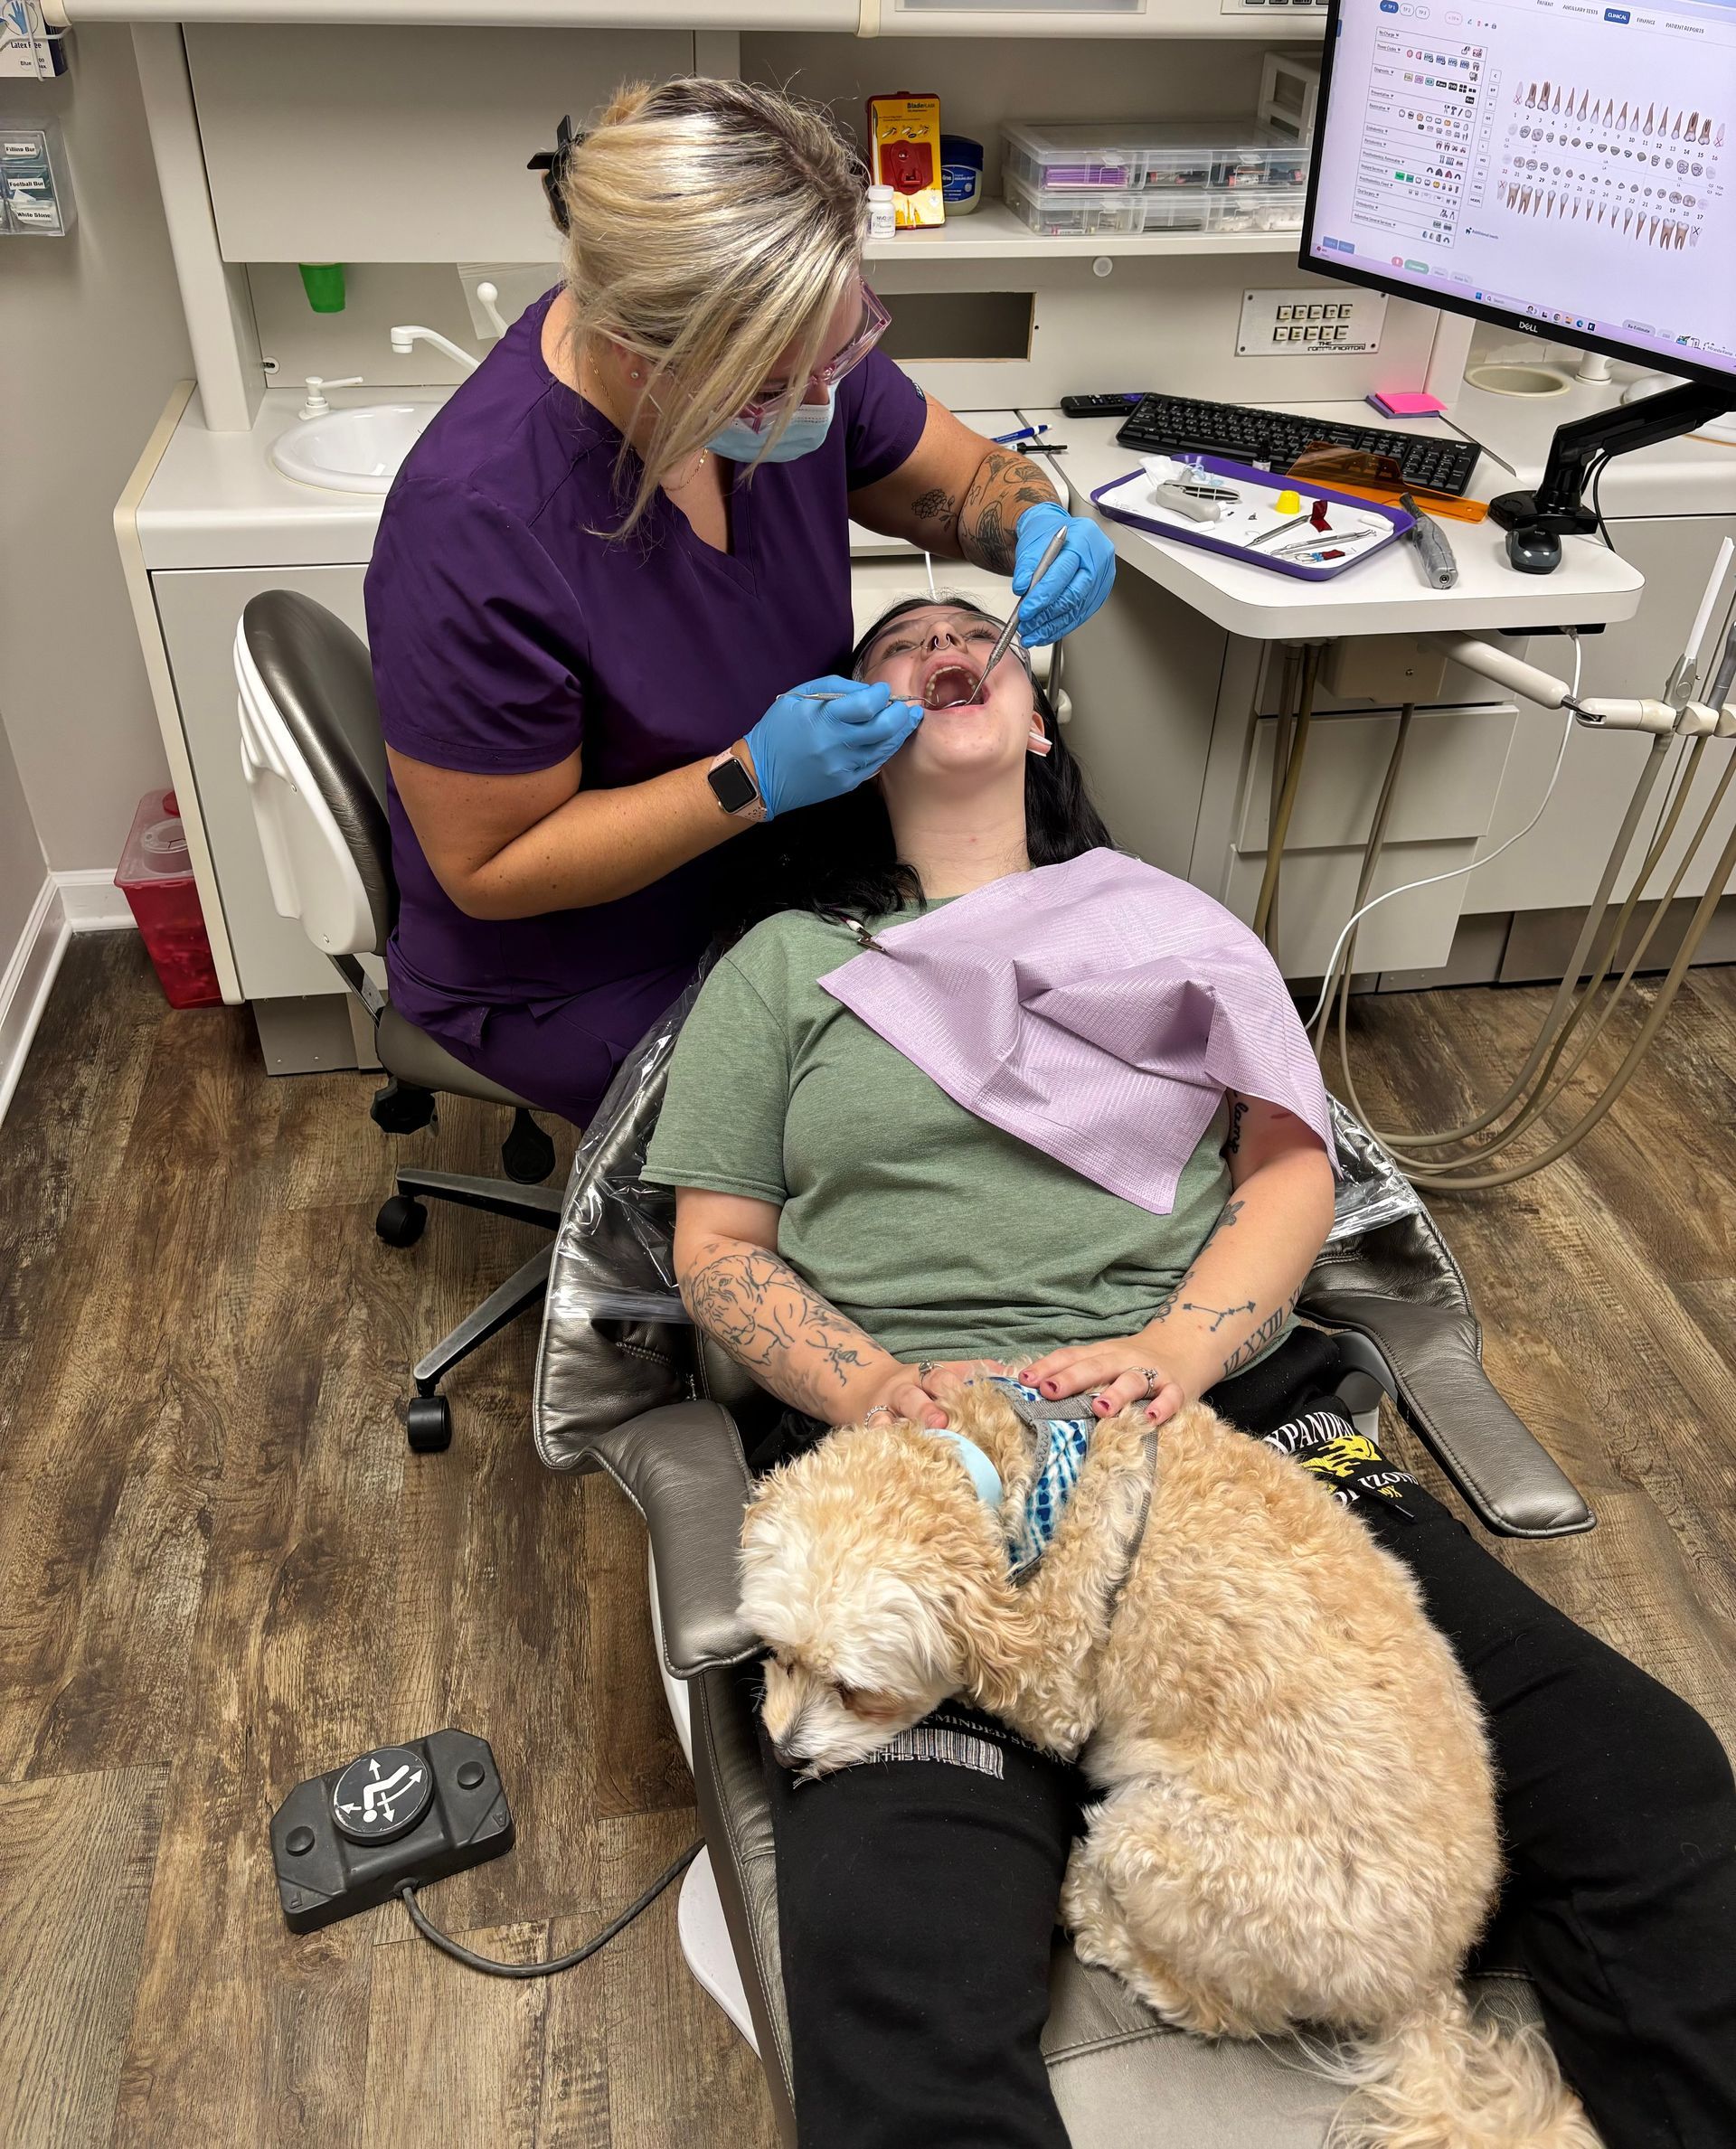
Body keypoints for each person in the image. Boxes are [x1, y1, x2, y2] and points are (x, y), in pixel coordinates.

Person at [641, 594, 1736, 2149]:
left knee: (1649, 1778)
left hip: (1237, 1449)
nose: (948, 638)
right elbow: (719, 1251)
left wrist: (1175, 1349)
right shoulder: (784, 965)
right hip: (938, 1503)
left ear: (1036, 720)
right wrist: (878, 1388)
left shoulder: (1170, 928)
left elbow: (1291, 1172)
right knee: (895, 1947)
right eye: (899, 645)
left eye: (982, 635)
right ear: (858, 734)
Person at [362, 77, 1114, 1126]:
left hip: (782, 881)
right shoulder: (479, 522)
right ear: (640, 351)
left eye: (839, 357)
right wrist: (744, 783)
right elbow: (489, 867)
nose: (825, 400)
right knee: (877, 1115)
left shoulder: (790, 355)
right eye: (775, 384)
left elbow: (965, 479)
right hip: (579, 964)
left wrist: (1035, 520)